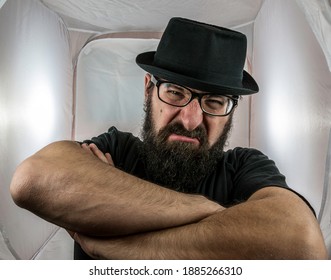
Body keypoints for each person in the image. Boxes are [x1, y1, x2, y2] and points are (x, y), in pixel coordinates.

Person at [10, 17, 327, 259]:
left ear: (231, 111)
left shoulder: (244, 166)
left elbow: (304, 244)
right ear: (148, 89)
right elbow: (31, 181)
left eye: (214, 102)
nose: (191, 121)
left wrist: (120, 249)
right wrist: (213, 212)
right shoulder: (117, 149)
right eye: (176, 92)